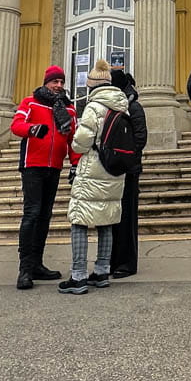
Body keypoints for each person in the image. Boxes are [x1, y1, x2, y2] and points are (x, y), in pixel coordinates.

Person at [60, 59, 128, 294]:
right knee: (106, 221)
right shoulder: (121, 105)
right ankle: (101, 271)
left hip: (93, 170)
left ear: (93, 85)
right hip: (114, 170)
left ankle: (78, 275)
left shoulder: (94, 107)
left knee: (79, 220)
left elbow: (80, 143)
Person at [10, 65, 78, 290]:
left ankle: (37, 263)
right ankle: (25, 269)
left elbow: (73, 140)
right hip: (33, 165)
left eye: (61, 82)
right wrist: (32, 129)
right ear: (46, 82)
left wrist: (75, 165)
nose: (58, 85)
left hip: (54, 166)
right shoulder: (30, 102)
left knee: (45, 215)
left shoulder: (68, 109)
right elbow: (16, 125)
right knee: (32, 213)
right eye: (54, 82)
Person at [109, 68, 147, 278]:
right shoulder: (113, 106)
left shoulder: (133, 107)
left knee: (127, 216)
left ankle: (126, 262)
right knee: (112, 216)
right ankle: (112, 259)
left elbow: (140, 138)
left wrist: (127, 159)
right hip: (112, 169)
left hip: (128, 169)